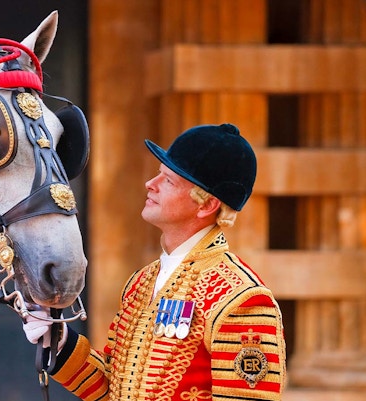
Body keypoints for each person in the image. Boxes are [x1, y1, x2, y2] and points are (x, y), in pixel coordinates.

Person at [23, 123, 287, 400]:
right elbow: (113, 390)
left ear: (207, 205)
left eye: (169, 180)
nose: (151, 184)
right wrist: (61, 341)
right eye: (159, 174)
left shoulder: (241, 299)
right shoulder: (141, 282)